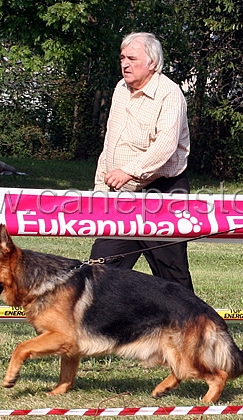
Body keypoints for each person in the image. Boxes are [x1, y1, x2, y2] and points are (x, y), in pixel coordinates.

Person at [90, 32, 194, 291]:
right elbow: (110, 144)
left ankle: (195, 329)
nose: (125, 63)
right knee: (99, 270)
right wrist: (99, 193)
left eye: (132, 58)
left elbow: (166, 147)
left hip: (163, 191)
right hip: (122, 195)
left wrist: (129, 171)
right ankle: (97, 329)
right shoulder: (120, 89)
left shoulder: (169, 94)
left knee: (171, 273)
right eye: (122, 57)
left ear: (152, 63)